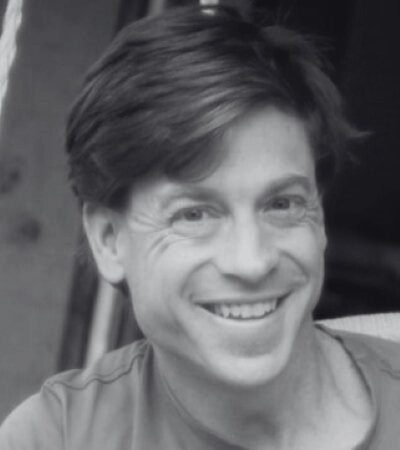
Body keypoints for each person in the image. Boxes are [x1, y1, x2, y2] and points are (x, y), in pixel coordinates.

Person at [1, 5, 400, 449]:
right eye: (194, 215)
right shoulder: (57, 437)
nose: (251, 262)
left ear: (319, 216)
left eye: (282, 204)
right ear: (109, 240)